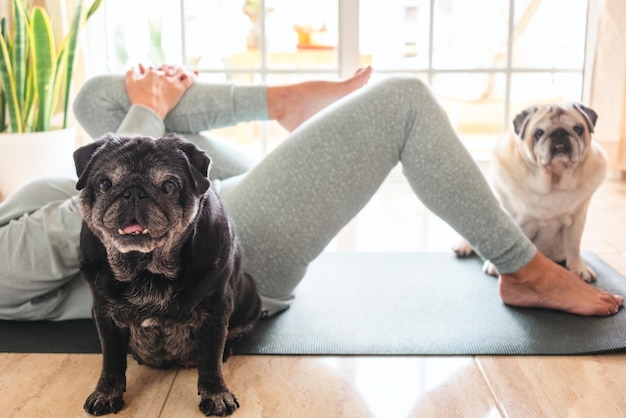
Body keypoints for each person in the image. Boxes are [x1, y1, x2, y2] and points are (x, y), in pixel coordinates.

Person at [0, 64, 622, 321]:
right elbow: (92, 223)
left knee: (97, 97)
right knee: (403, 102)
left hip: (203, 207)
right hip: (215, 261)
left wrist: (142, 111)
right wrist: (145, 115)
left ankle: (285, 103)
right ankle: (526, 270)